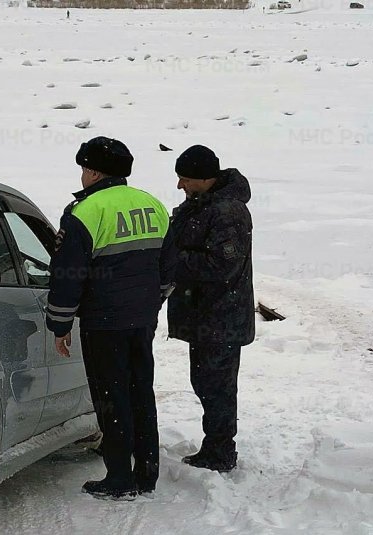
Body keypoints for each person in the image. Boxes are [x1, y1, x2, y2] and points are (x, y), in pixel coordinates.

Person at [46, 136, 175, 499]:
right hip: (142, 320)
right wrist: (152, 302)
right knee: (141, 392)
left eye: (84, 169)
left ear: (93, 172)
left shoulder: (85, 212)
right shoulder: (152, 205)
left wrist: (59, 324)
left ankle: (119, 477)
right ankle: (147, 471)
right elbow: (168, 267)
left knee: (111, 396)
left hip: (104, 322)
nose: (82, 175)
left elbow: (67, 275)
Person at [167, 145, 255, 473]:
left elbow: (223, 264)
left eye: (185, 178)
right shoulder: (201, 204)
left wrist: (172, 260)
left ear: (205, 178)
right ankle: (216, 446)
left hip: (221, 319)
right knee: (206, 383)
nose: (180, 185)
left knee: (217, 387)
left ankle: (220, 452)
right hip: (205, 316)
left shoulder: (227, 212)